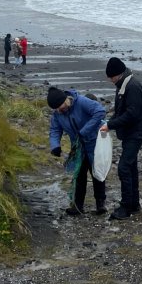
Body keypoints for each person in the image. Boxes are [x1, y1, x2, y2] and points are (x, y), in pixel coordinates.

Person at [48, 86, 108, 216]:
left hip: (94, 142)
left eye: (60, 107)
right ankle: (77, 206)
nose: (59, 110)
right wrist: (55, 146)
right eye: (56, 109)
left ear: (66, 100)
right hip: (78, 146)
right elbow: (55, 130)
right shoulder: (57, 114)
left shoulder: (81, 102)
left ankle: (100, 204)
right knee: (79, 175)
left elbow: (100, 112)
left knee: (97, 172)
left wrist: (84, 131)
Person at [101, 57, 142, 221]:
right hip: (129, 133)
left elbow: (132, 114)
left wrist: (111, 125)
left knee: (124, 168)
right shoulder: (122, 85)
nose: (110, 80)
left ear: (118, 74)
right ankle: (134, 203)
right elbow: (120, 111)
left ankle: (126, 207)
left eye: (111, 77)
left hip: (136, 133)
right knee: (131, 167)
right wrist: (109, 123)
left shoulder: (132, 86)